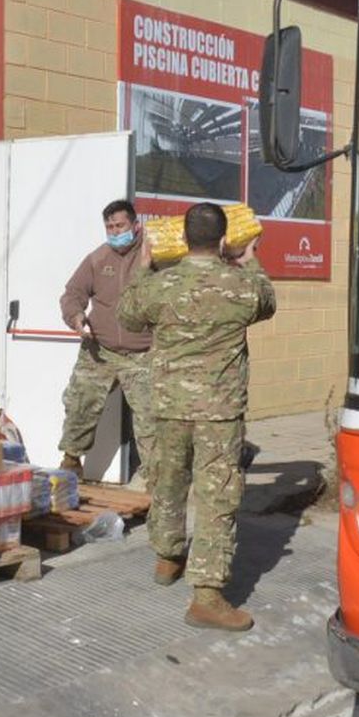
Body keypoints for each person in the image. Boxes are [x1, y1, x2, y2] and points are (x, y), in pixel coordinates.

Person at [118, 202, 277, 631]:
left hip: (168, 406)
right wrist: (250, 259)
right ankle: (206, 596)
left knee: (167, 482)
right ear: (224, 240)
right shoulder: (242, 286)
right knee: (216, 496)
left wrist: (144, 266)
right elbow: (268, 302)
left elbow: (128, 313)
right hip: (219, 412)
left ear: (184, 240)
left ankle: (168, 557)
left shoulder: (163, 285)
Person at [57, 199, 155, 480]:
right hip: (100, 349)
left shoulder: (155, 255)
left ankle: (156, 478)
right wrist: (76, 317)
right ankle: (71, 462)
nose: (114, 232)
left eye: (120, 225)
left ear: (135, 226)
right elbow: (72, 294)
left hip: (144, 352)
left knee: (152, 418)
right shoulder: (98, 258)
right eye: (110, 227)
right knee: (80, 404)